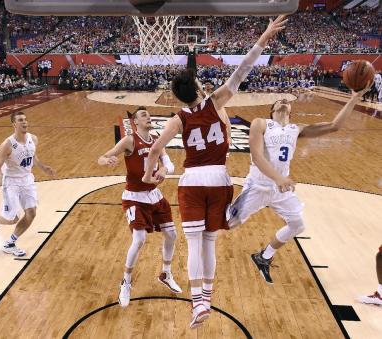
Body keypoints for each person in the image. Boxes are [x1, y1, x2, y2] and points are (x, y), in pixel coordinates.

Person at [142, 15, 288, 329]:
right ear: (197, 87)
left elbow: (155, 151)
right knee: (210, 241)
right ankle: (208, 295)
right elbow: (243, 68)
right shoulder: (216, 102)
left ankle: (198, 305)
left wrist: (147, 175)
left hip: (192, 180)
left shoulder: (177, 117)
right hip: (219, 179)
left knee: (194, 244)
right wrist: (263, 37)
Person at [228, 86, 371, 284]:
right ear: (273, 109)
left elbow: (334, 125)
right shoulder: (261, 123)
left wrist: (354, 98)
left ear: (291, 112)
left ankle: (264, 256)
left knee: (297, 224)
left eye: (288, 102)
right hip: (259, 186)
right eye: (280, 101)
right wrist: (279, 179)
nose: (285, 102)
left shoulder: (297, 129)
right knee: (227, 224)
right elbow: (257, 157)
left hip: (282, 190)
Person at [98, 106, 182, 308]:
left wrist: (163, 168)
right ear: (135, 122)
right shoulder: (129, 140)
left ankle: (166, 273)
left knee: (172, 235)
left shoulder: (156, 140)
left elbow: (170, 164)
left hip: (154, 195)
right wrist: (107, 159)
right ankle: (126, 281)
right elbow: (101, 157)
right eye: (143, 115)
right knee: (139, 239)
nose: (148, 117)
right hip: (135, 197)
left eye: (148, 114)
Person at [0, 111, 55, 257]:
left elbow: (32, 155)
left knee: (31, 213)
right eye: (20, 120)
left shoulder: (33, 138)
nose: (24, 122)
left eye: (26, 119)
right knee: (11, 219)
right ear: (14, 124)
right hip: (12, 182)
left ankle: (10, 243)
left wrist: (43, 167)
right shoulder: (7, 145)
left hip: (27, 179)